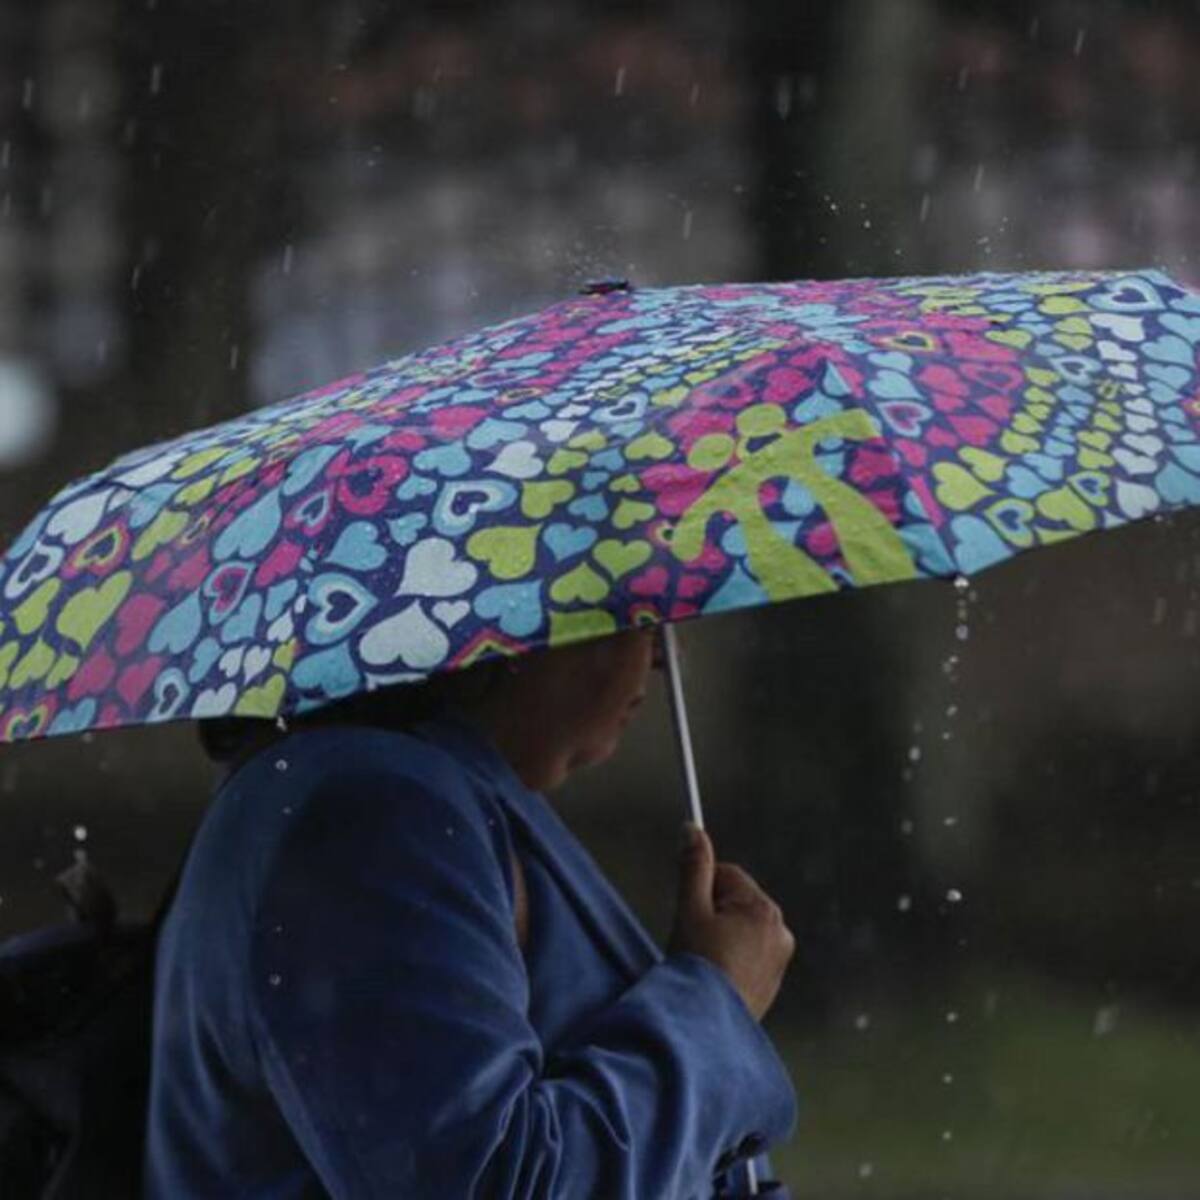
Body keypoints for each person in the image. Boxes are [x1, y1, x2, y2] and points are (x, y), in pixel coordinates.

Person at [144, 626, 799, 1198]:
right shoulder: (373, 821)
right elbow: (497, 1181)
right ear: (524, 618)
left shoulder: (415, 792)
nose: (662, 655)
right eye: (634, 614)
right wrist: (715, 1005)